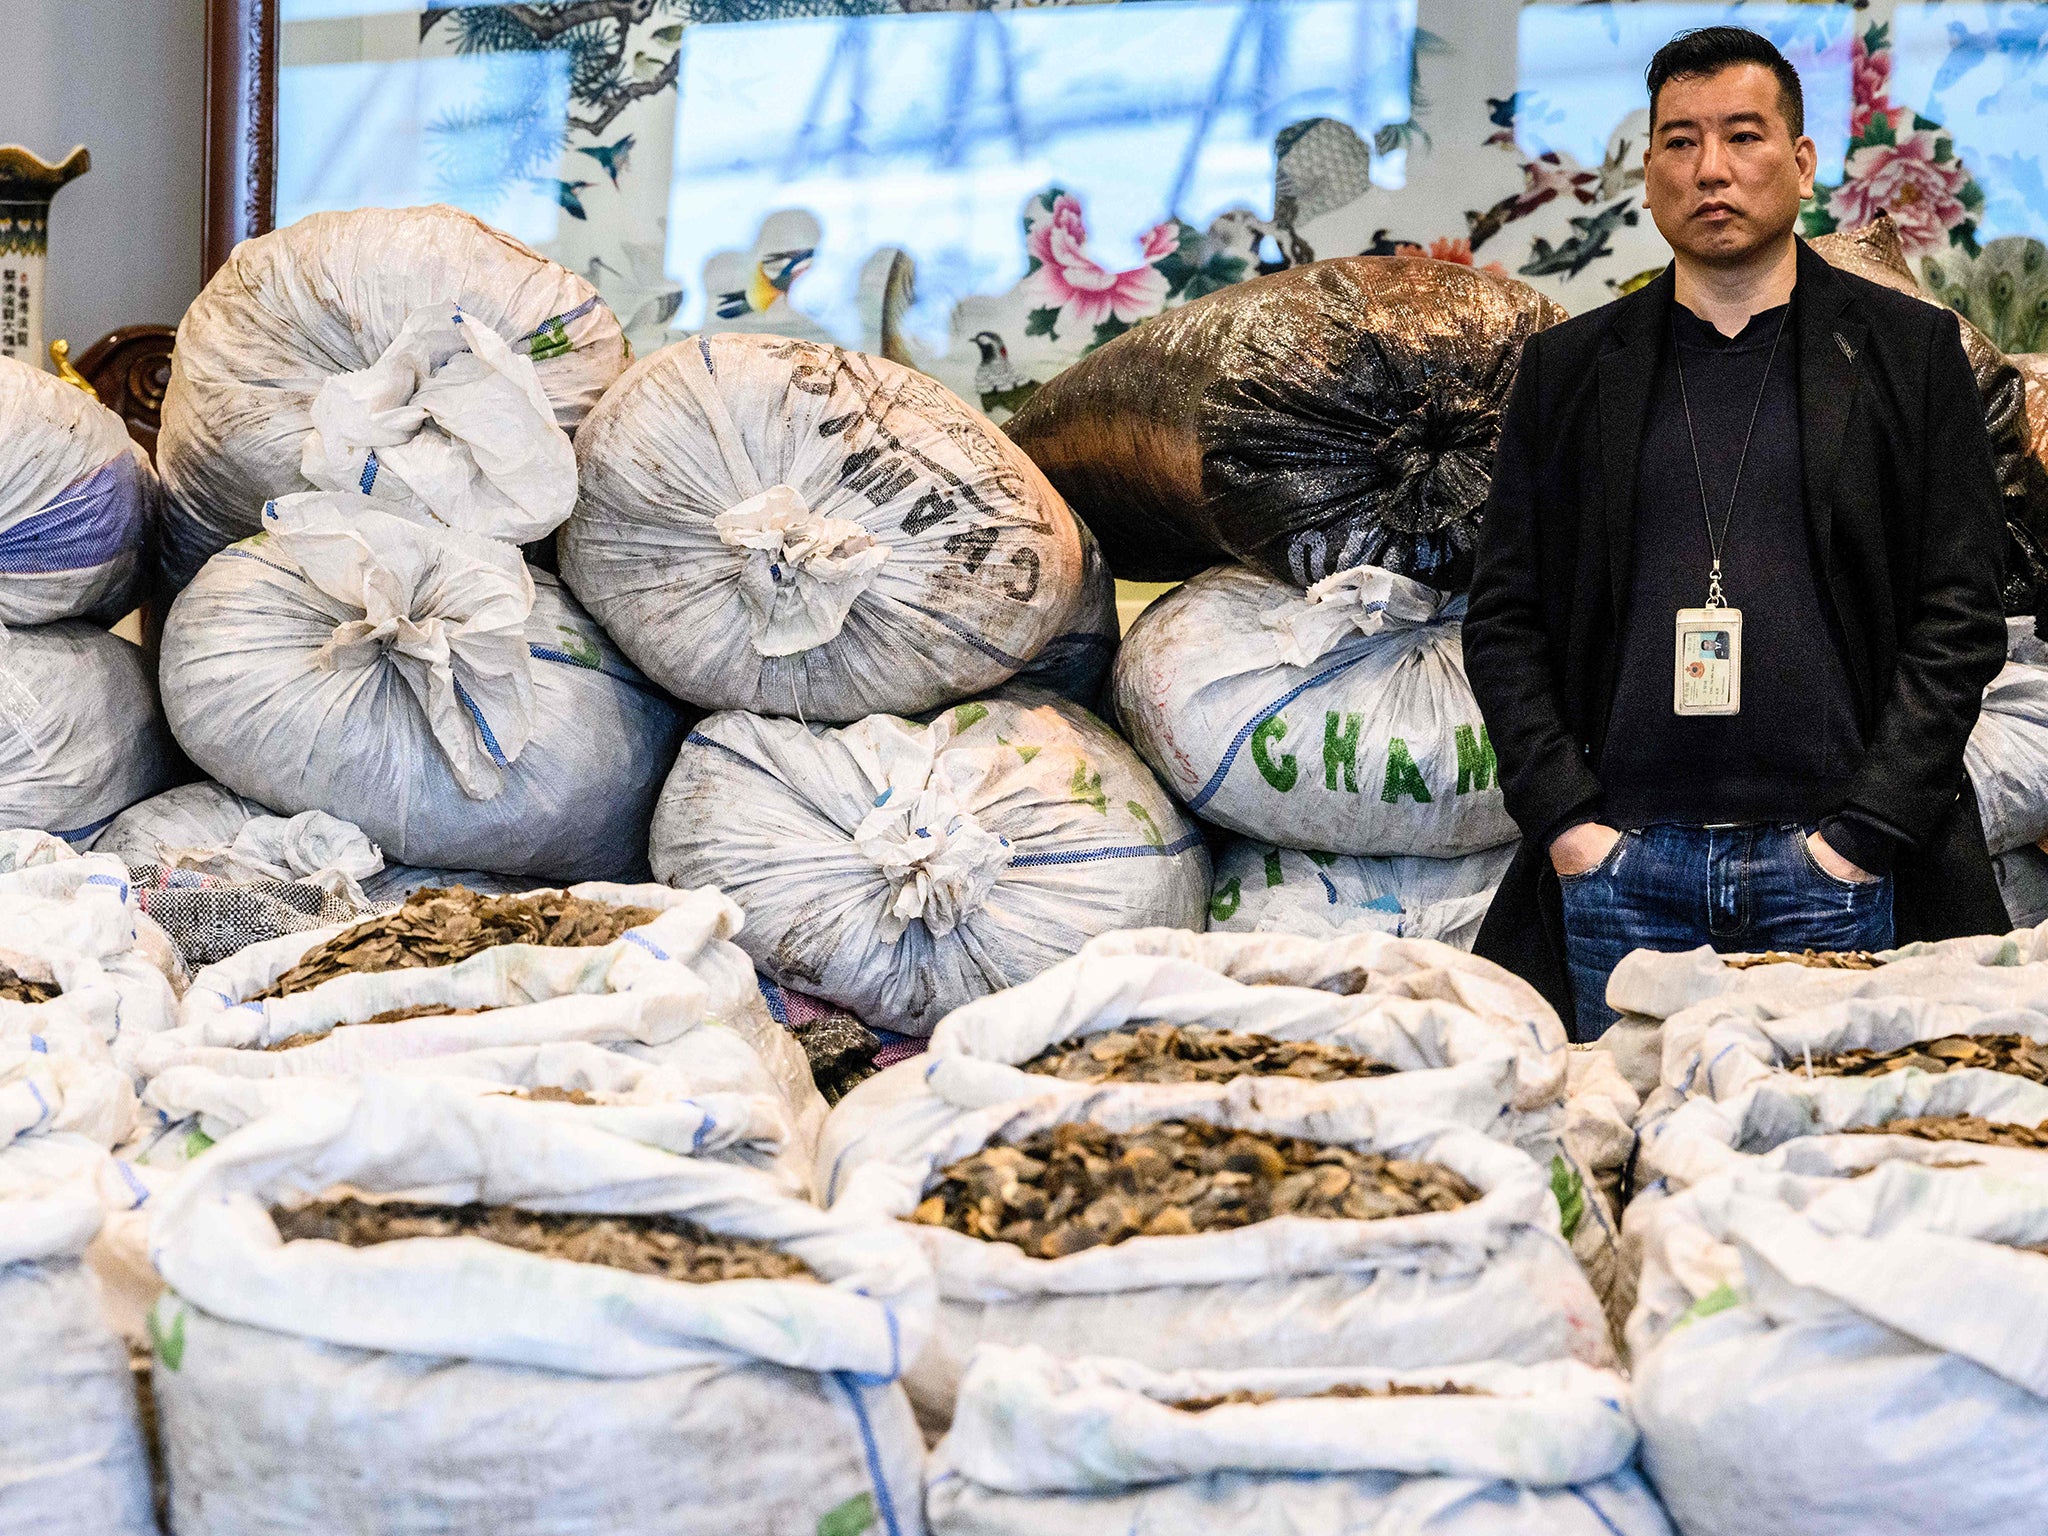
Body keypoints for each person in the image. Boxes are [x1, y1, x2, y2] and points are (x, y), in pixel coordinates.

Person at [1463, 25, 2010, 1039]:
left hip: (1839, 863)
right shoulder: (1568, 372)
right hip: (1622, 867)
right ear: (1647, 171)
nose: (1708, 169)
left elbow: (1959, 613)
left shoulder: (1907, 353)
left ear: (1800, 162)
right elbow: (1503, 616)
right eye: (1676, 141)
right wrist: (1570, 828)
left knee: (1827, 1166)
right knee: (1620, 1155)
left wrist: (1862, 833)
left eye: (1741, 135)